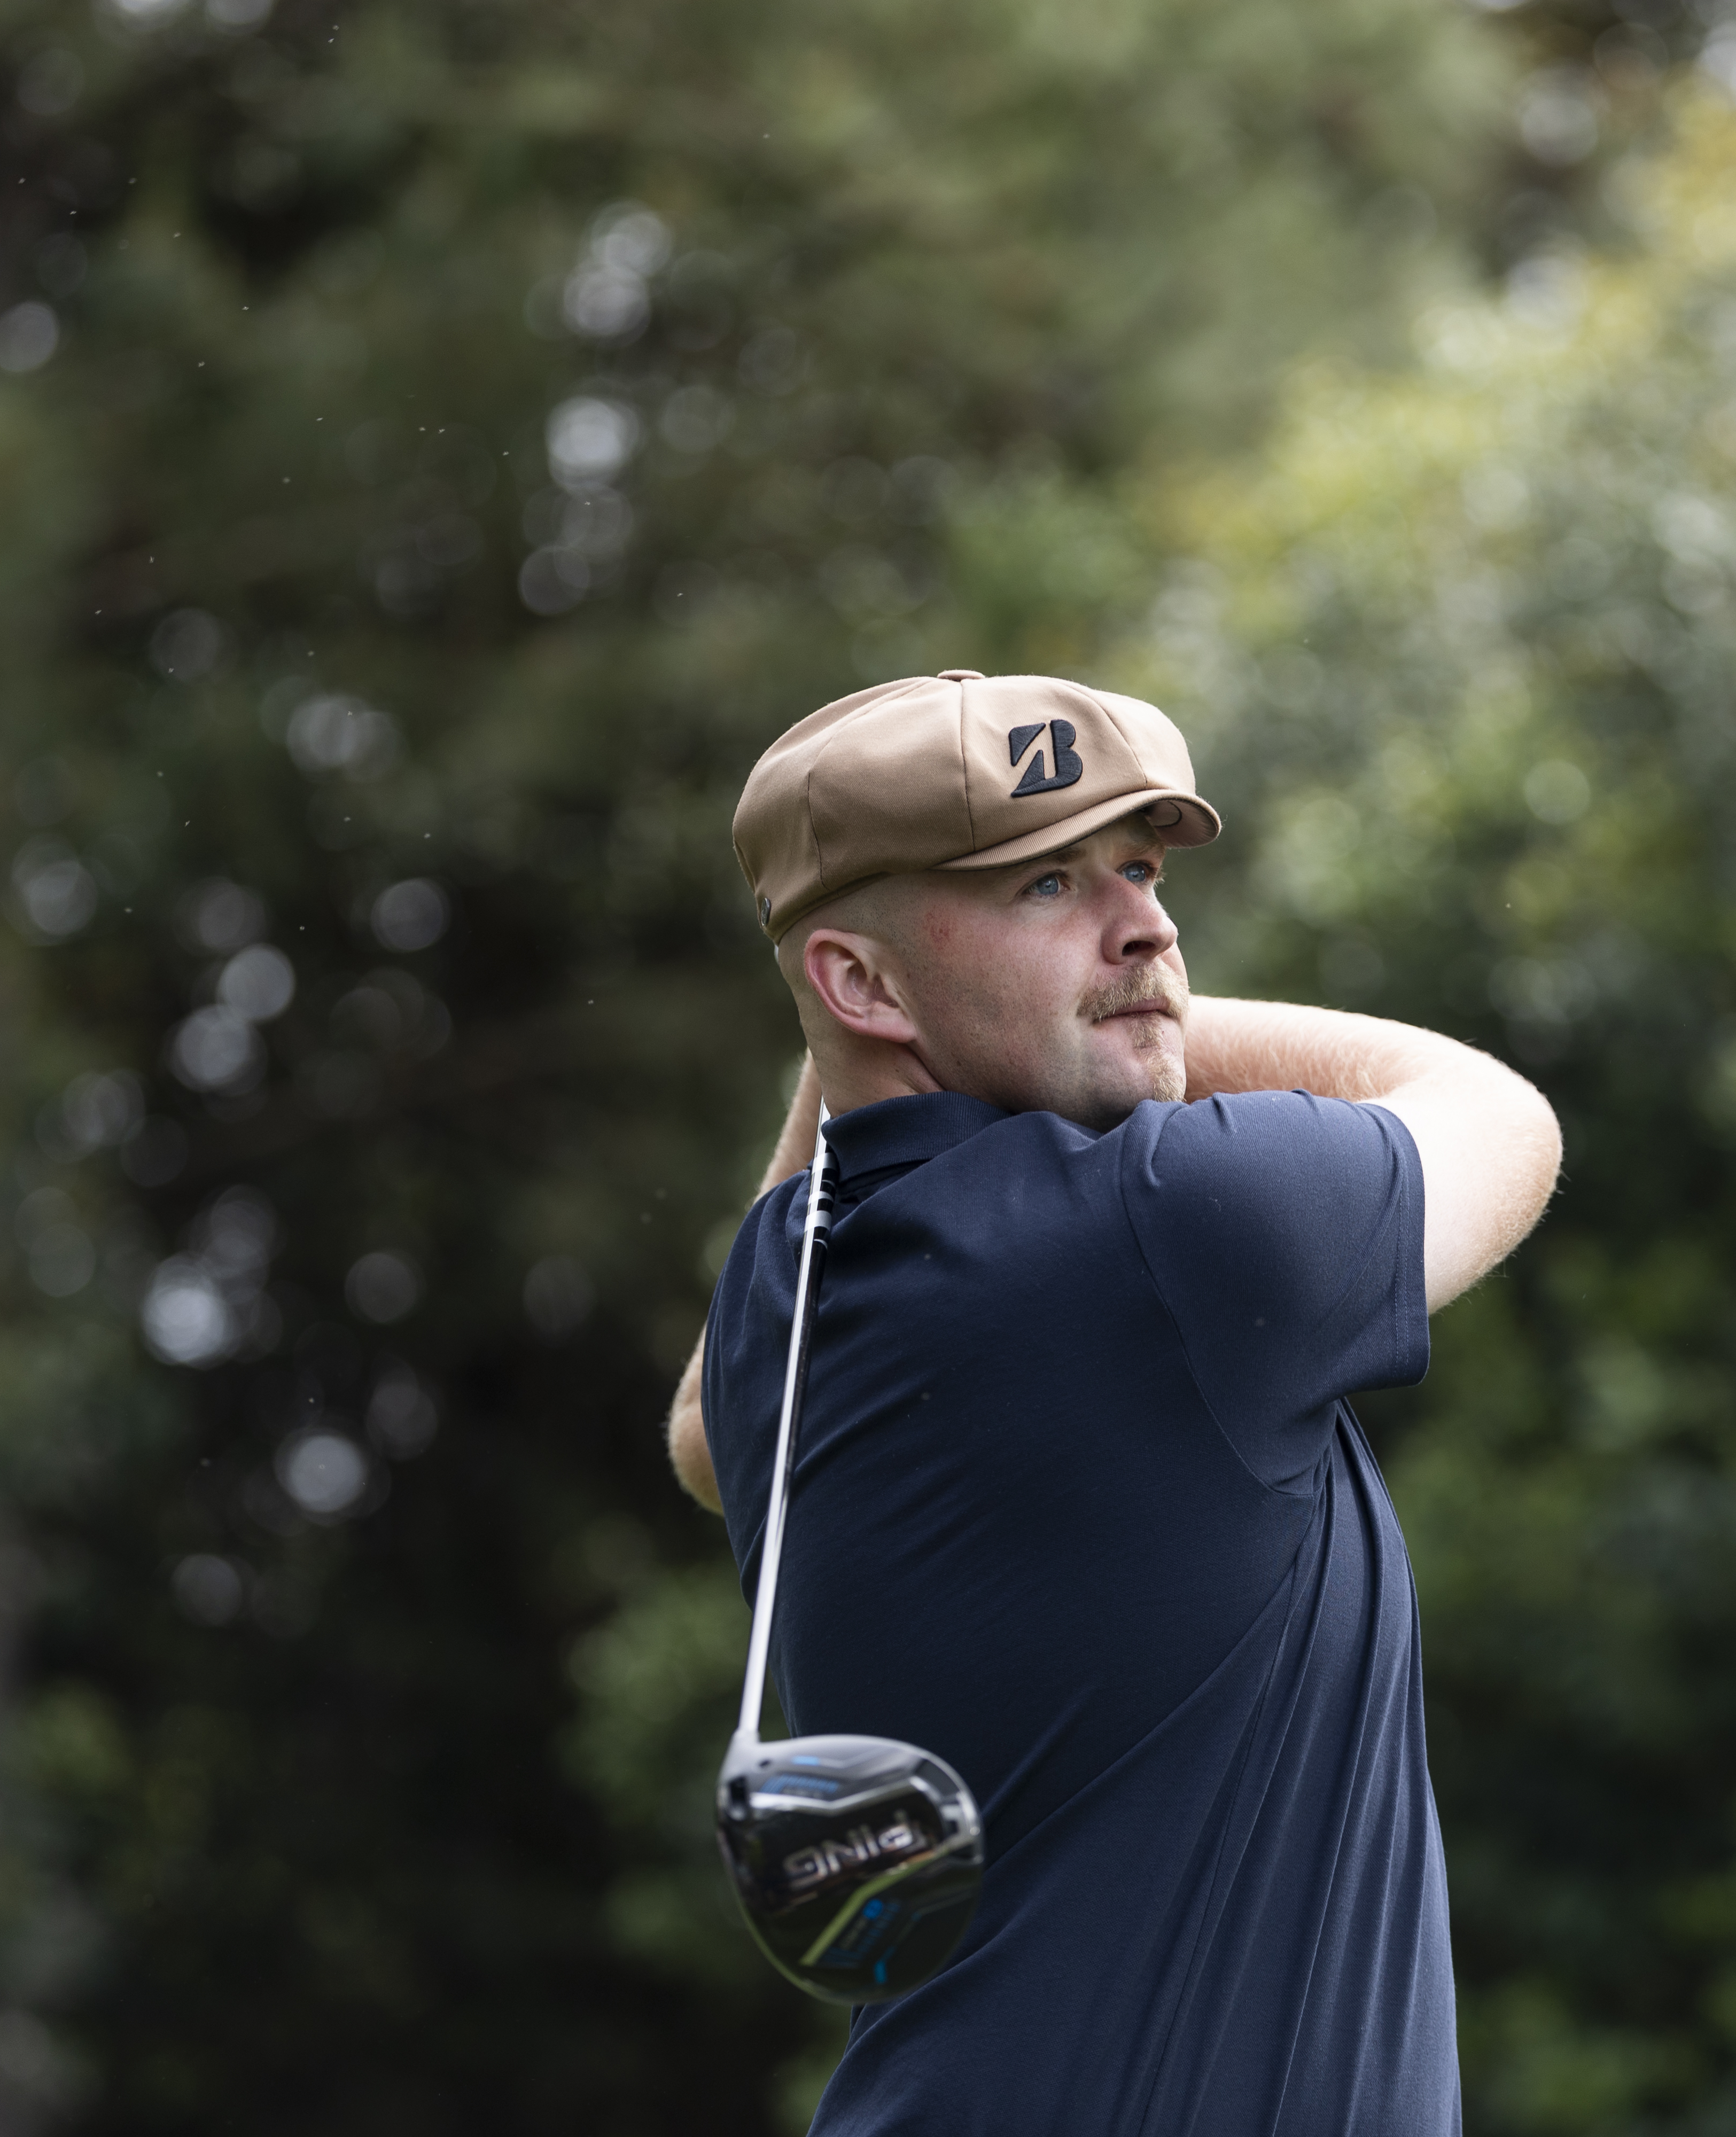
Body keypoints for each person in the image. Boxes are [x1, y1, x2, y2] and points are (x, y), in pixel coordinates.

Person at [666, 670, 1560, 2134]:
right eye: (1044, 885)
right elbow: (1493, 1111)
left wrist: (871, 1051)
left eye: (1139, 870)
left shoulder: (777, 1290)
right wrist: (1144, 1020)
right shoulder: (1173, 1226)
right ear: (863, 983)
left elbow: (704, 1444)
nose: (1146, 926)